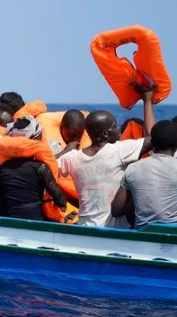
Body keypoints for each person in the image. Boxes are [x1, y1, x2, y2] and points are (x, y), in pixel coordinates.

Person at [58, 82, 156, 227]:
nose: (118, 130)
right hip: (114, 229)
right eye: (115, 126)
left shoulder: (71, 158)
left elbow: (47, 166)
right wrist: (147, 100)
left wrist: (65, 151)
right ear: (104, 133)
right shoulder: (119, 151)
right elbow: (156, 137)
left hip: (85, 227)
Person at [0, 116, 70, 221]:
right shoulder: (40, 168)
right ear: (34, 140)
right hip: (35, 220)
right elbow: (59, 198)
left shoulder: (3, 168)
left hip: (10, 217)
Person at [111, 120, 177, 230]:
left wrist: (139, 194)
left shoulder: (133, 168)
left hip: (143, 236)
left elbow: (116, 210)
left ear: (152, 143)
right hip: (175, 234)